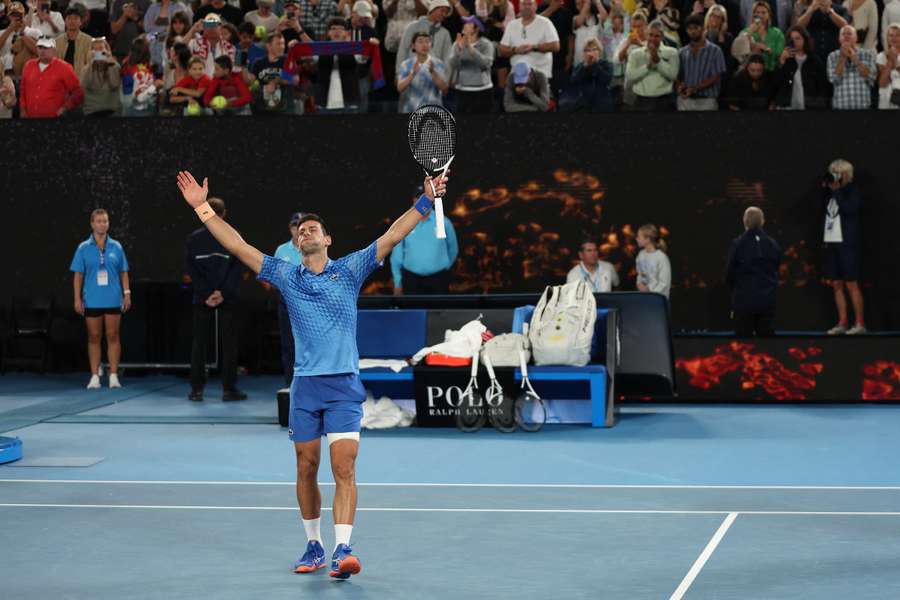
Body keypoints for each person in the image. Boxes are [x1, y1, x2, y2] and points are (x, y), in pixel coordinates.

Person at [174, 166, 449, 579]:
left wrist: (426, 202)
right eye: (301, 230)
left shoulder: (351, 270)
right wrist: (203, 210)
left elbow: (393, 235)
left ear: (328, 240)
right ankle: (314, 544)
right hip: (305, 388)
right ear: (295, 241)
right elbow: (239, 245)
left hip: (342, 386)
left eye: (313, 228)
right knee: (306, 466)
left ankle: (343, 548)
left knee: (344, 467)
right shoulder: (285, 275)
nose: (306, 232)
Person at [184, 196, 247, 401]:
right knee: (227, 343)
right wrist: (220, 293)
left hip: (209, 298)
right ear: (224, 214)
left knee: (200, 344)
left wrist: (209, 293)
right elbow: (237, 269)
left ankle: (196, 390)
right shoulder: (234, 236)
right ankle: (228, 390)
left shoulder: (194, 238)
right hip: (218, 298)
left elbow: (192, 271)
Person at [70, 208, 131, 389]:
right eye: (98, 221)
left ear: (108, 224)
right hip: (92, 299)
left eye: (105, 221)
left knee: (113, 336)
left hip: (113, 298)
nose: (102, 224)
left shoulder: (117, 246)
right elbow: (78, 275)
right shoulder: (83, 248)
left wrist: (127, 293)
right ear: (92, 224)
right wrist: (77, 299)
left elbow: (123, 272)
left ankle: (113, 376)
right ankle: (95, 376)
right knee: (94, 337)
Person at [822, 159, 865, 335]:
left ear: (847, 174)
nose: (836, 175)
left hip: (848, 244)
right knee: (836, 283)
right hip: (832, 243)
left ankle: (860, 324)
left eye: (839, 172)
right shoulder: (828, 193)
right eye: (833, 171)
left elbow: (850, 209)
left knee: (851, 283)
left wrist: (838, 192)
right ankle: (842, 322)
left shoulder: (853, 191)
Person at [390, 186, 458, 294]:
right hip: (411, 280)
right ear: (413, 200)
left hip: (439, 280)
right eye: (419, 197)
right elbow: (396, 257)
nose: (423, 200)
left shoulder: (444, 222)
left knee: (439, 311)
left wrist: (444, 267)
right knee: (412, 311)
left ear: (432, 199)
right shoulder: (404, 224)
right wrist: (398, 282)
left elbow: (453, 249)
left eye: (426, 196)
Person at [725, 206, 781, 337]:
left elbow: (729, 272)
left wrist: (736, 292)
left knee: (744, 346)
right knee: (767, 347)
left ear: (744, 221)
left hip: (743, 301)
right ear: (762, 221)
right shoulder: (773, 244)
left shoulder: (738, 244)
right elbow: (776, 268)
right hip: (767, 302)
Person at [19, 36, 84, 117]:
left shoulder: (64, 67)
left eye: (46, 48)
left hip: (53, 120)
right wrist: (23, 110)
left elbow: (78, 92)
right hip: (30, 118)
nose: (42, 51)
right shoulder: (29, 65)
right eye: (40, 47)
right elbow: (23, 90)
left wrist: (65, 108)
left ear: (54, 50)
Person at [274, 212, 303, 387]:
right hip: (287, 304)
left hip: (310, 304)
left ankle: (309, 388)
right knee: (289, 347)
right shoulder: (281, 250)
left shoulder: (314, 247)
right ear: (290, 228)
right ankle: (291, 386)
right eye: (294, 226)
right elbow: (275, 277)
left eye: (301, 226)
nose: (297, 229)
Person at [498, 0, 560, 81]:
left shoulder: (545, 22)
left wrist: (534, 47)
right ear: (519, 6)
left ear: (536, 6)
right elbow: (502, 50)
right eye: (524, 4)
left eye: (530, 4)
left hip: (539, 75)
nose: (527, 6)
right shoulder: (512, 25)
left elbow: (555, 46)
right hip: (516, 75)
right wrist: (515, 50)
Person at [625, 19, 679, 110]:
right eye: (650, 35)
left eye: (657, 36)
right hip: (641, 101)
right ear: (647, 34)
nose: (653, 39)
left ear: (662, 37)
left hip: (664, 101)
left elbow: (673, 75)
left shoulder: (672, 53)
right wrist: (648, 66)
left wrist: (658, 61)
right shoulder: (635, 53)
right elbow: (630, 76)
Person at [676, 13, 725, 110]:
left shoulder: (715, 50)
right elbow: (678, 75)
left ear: (703, 28)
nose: (693, 31)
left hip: (707, 101)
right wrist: (679, 86)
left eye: (696, 27)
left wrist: (695, 88)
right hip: (686, 100)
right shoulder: (682, 52)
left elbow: (716, 76)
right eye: (689, 28)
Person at [772, 25, 829, 109]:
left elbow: (822, 86)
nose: (794, 42)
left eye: (797, 38)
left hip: (810, 108)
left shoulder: (814, 61)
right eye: (792, 39)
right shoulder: (785, 60)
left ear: (805, 39)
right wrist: (781, 62)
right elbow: (775, 84)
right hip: (786, 107)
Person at [448, 16, 494, 113]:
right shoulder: (457, 44)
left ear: (477, 28)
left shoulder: (487, 44)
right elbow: (454, 65)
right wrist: (459, 51)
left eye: (468, 24)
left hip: (483, 91)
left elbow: (485, 65)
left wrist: (469, 47)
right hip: (462, 90)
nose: (464, 25)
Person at [396, 31, 449, 112]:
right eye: (420, 41)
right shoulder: (406, 64)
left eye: (427, 41)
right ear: (413, 45)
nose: (424, 45)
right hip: (412, 110)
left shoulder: (438, 64)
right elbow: (400, 88)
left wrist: (433, 72)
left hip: (434, 111)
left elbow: (445, 90)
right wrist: (412, 74)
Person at [827, 24, 875, 110]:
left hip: (863, 108)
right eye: (843, 34)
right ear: (839, 39)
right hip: (840, 108)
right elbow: (833, 79)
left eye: (849, 34)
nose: (846, 36)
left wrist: (856, 60)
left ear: (856, 38)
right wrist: (842, 57)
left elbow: (871, 77)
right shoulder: (832, 56)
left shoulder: (868, 54)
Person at [397, 0, 453, 66]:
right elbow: (403, 50)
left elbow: (447, 58)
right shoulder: (413, 27)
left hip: (434, 74)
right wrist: (399, 73)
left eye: (446, 12)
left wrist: (444, 75)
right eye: (442, 11)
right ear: (432, 9)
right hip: (412, 72)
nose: (444, 14)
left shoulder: (445, 33)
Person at [794, 0, 849, 65]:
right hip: (813, 54)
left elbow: (845, 26)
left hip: (834, 54)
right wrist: (810, 11)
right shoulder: (809, 9)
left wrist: (830, 11)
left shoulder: (841, 9)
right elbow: (798, 27)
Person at [735, 1, 784, 72]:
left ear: (769, 15)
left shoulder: (777, 33)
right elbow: (738, 53)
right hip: (749, 71)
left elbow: (778, 55)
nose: (760, 15)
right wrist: (749, 33)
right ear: (753, 15)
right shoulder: (745, 32)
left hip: (771, 71)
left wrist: (765, 48)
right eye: (757, 12)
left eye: (763, 13)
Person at [567, 38, 614, 112]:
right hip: (584, 104)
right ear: (584, 53)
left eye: (594, 49)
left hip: (603, 104)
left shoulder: (606, 64)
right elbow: (573, 81)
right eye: (587, 50)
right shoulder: (581, 66)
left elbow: (607, 80)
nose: (591, 53)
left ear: (599, 51)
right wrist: (585, 66)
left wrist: (594, 64)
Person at [80, 36, 122, 116]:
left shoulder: (115, 66)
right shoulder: (86, 68)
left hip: (112, 110)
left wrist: (110, 65)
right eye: (95, 50)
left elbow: (115, 85)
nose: (98, 52)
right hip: (92, 111)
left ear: (107, 50)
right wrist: (90, 64)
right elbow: (83, 86)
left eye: (101, 48)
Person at [189, 13, 235, 78]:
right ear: (204, 27)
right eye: (209, 24)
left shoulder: (230, 47)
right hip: (199, 84)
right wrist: (192, 30)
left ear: (221, 28)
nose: (211, 28)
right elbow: (177, 51)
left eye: (214, 25)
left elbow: (233, 70)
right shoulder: (194, 43)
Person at [635, 223, 671, 298]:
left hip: (658, 299)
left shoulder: (661, 257)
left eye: (639, 237)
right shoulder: (641, 255)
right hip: (645, 297)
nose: (636, 239)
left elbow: (664, 283)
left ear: (647, 239)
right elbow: (640, 274)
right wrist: (639, 284)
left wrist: (649, 289)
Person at [55, 5, 92, 74]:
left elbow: (89, 64)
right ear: (65, 22)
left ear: (81, 22)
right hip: (61, 78)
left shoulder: (88, 41)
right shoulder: (57, 41)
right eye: (69, 18)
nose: (72, 21)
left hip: (80, 79)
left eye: (75, 18)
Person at [876, 23, 900, 110]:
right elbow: (882, 83)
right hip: (886, 102)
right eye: (891, 35)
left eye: (897, 35)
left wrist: (895, 61)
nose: (894, 38)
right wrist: (890, 61)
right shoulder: (880, 56)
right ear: (887, 38)